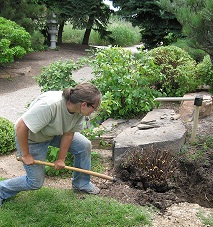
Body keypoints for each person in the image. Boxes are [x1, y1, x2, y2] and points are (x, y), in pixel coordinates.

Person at [0, 82, 102, 207]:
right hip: (32, 139)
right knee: (35, 182)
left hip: (53, 133)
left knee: (84, 145)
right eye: (94, 107)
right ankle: (1, 189)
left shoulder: (79, 111)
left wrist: (61, 159)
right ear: (84, 104)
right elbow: (21, 126)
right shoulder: (50, 105)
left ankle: (82, 184)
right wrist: (26, 155)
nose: (95, 110)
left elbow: (69, 134)